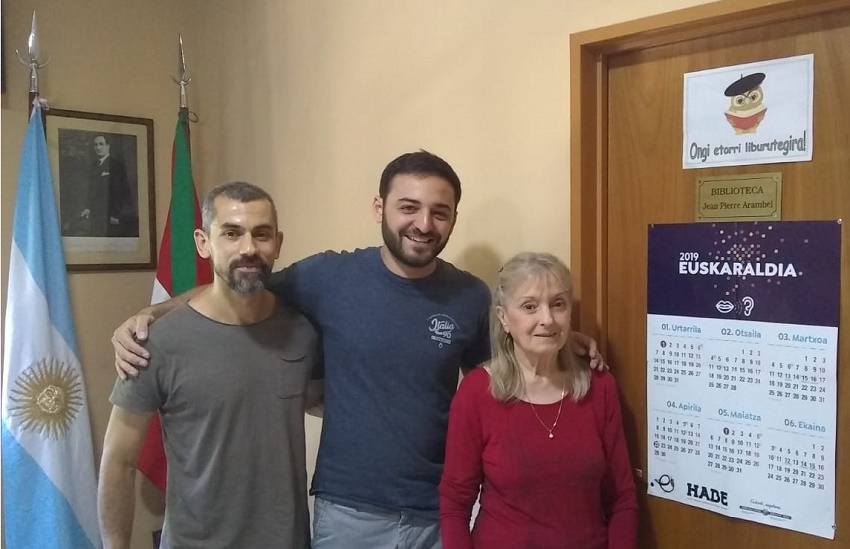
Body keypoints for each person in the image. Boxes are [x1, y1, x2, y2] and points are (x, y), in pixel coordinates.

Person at [112, 151, 604, 549]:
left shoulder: (472, 297)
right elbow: (241, 281)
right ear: (380, 209)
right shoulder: (328, 277)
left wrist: (560, 339)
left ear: (454, 217)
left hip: (439, 511)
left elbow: (505, 380)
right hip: (347, 514)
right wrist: (153, 314)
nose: (424, 223)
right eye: (408, 207)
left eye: (440, 211)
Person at [99, 181, 321, 549]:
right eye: (231, 233)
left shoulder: (302, 332)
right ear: (203, 242)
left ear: (278, 243)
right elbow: (118, 460)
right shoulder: (156, 342)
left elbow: (314, 398)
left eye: (261, 234)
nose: (248, 248)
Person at [439, 252, 637, 549]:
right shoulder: (477, 393)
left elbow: (622, 498)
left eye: (558, 304)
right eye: (529, 306)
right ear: (504, 318)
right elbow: (455, 503)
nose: (547, 319)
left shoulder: (599, 387)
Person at [80, 134, 137, 237]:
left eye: (101, 144)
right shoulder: (93, 166)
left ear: (108, 146)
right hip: (96, 216)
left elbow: (122, 192)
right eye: (95, 145)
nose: (98, 147)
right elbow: (91, 190)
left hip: (112, 216)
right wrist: (88, 208)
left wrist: (116, 215)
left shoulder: (116, 165)